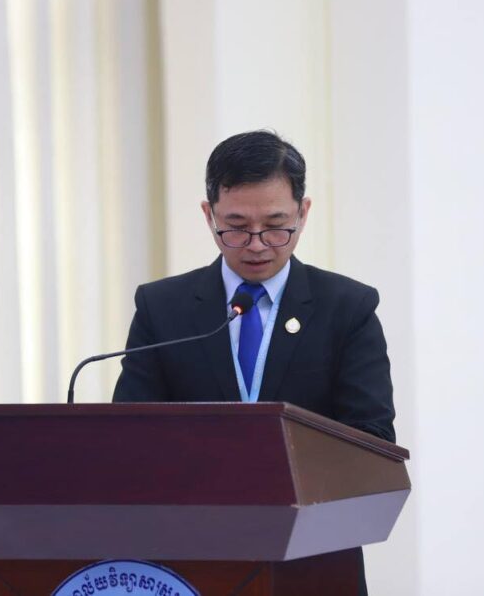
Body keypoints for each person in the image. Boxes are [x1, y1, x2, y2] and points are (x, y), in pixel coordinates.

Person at [112, 130, 395, 443]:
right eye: (237, 227)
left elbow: (373, 438)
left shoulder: (348, 309)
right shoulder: (161, 308)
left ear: (302, 214)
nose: (257, 245)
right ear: (209, 216)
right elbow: (128, 436)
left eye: (275, 226)